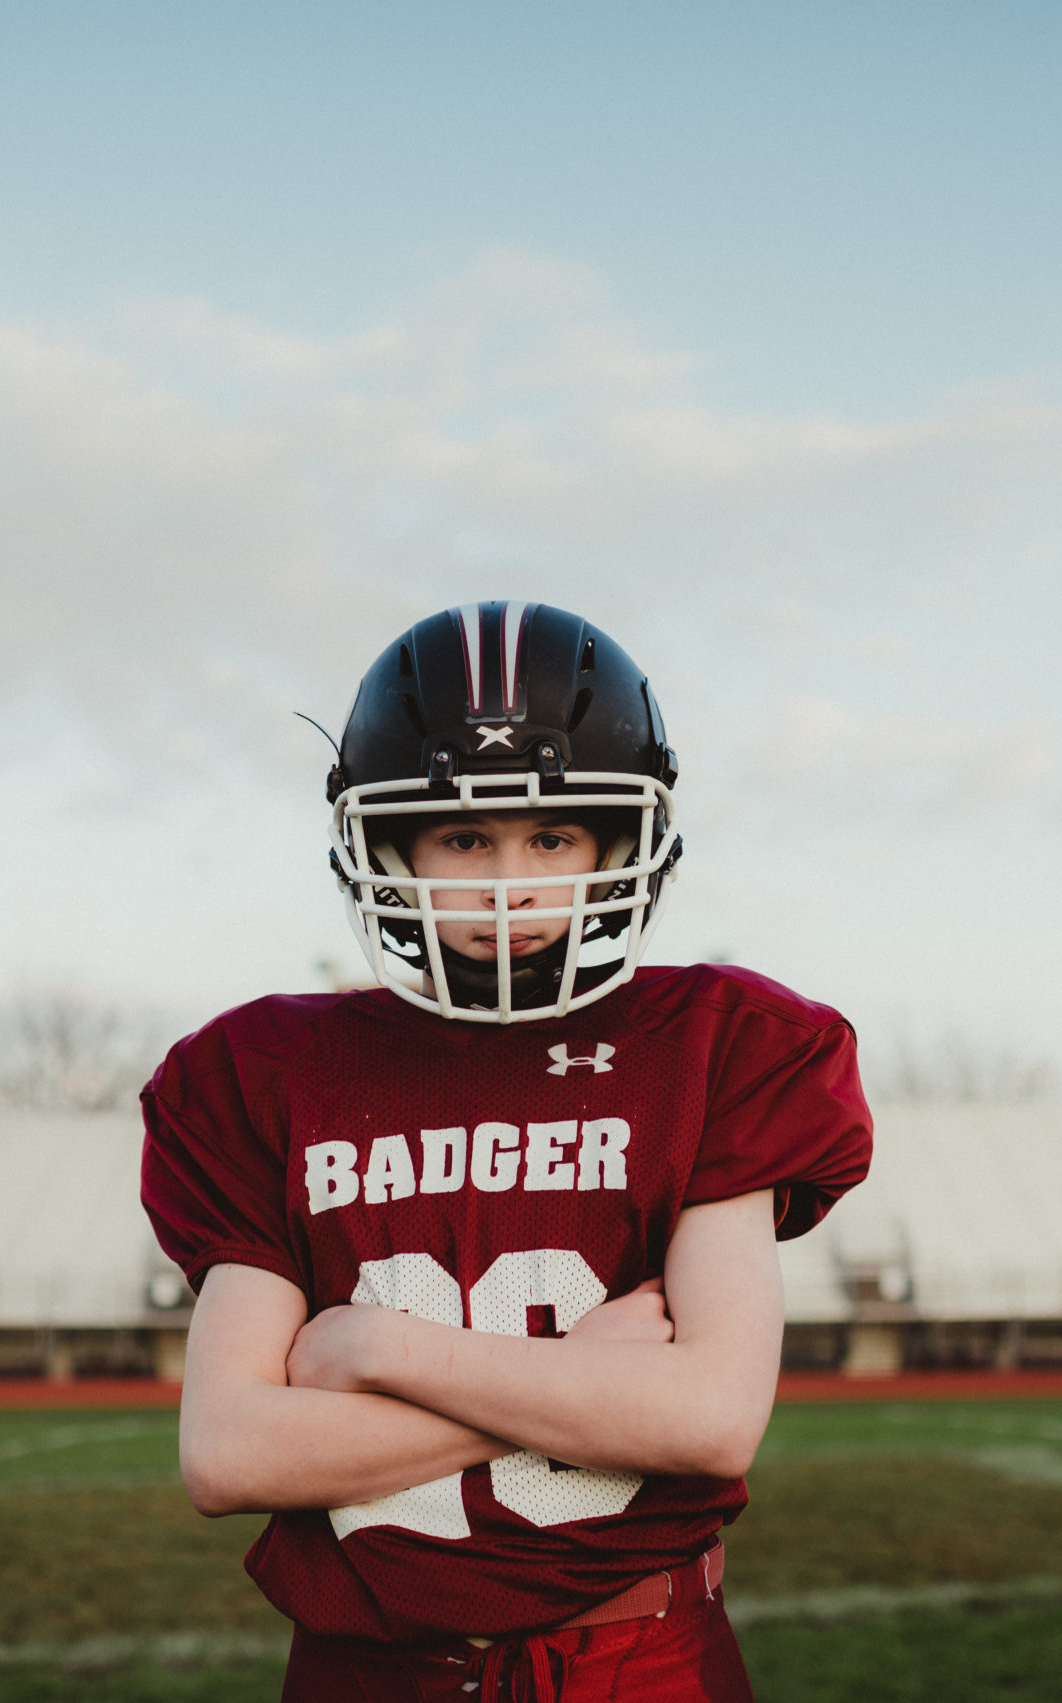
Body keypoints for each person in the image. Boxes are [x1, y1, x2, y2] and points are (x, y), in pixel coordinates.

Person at [140, 601, 873, 1701]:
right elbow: (231, 1453)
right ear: (389, 843)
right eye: (465, 837)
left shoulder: (718, 1044)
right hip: (366, 1670)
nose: (505, 883)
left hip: (639, 1660)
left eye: (550, 836)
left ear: (618, 842)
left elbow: (711, 1420)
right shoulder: (265, 1068)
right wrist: (586, 1378)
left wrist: (372, 1346)